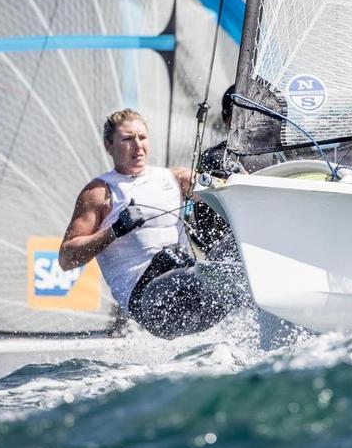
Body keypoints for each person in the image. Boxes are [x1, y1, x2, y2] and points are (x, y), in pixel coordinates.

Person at [59, 109, 233, 338]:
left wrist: (229, 180)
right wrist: (114, 230)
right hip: (149, 300)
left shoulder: (175, 178)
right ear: (109, 146)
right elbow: (66, 258)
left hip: (189, 285)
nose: (138, 145)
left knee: (234, 252)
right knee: (208, 272)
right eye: (128, 139)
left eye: (142, 137)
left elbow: (218, 190)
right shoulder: (99, 192)